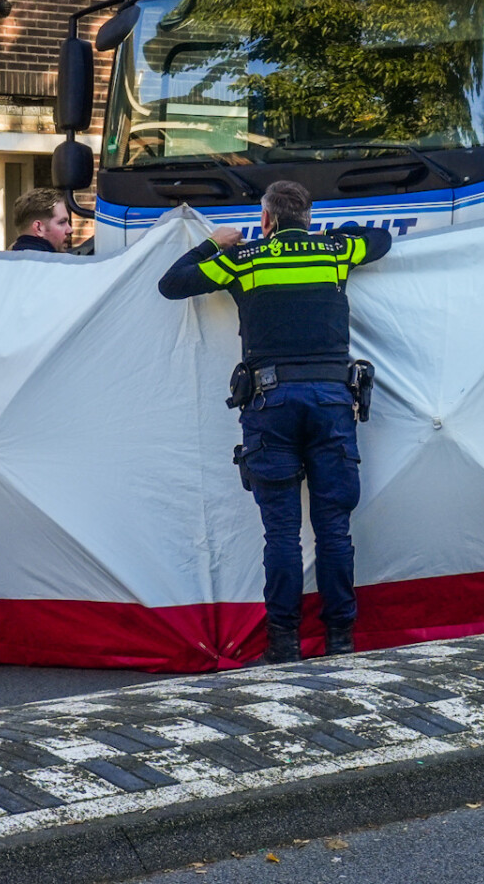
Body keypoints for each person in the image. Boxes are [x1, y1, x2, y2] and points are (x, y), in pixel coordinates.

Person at [158, 181, 391, 663]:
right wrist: (338, 230)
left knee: (281, 532)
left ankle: (283, 643)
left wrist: (211, 244)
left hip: (270, 405)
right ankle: (341, 640)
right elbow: (381, 239)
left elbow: (172, 284)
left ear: (265, 221)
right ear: (307, 217)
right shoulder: (335, 252)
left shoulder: (244, 260)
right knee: (334, 530)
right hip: (331, 403)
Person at [8, 188, 71, 253]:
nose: (70, 230)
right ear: (38, 228)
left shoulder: (5, 259)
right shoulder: (52, 262)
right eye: (62, 222)